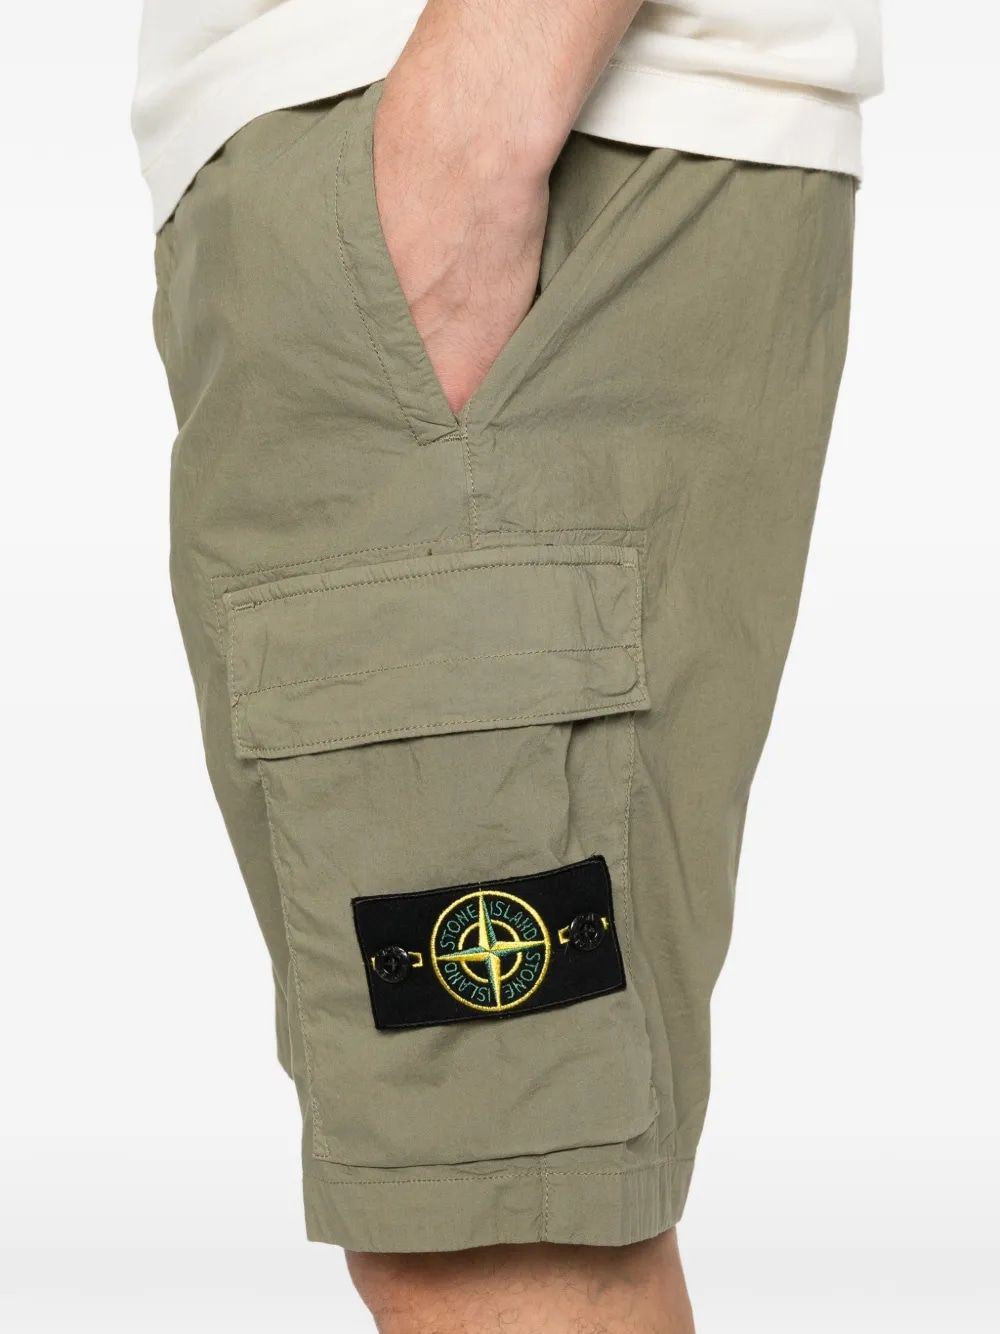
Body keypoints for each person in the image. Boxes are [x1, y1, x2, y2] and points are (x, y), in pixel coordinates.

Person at [133, 2, 883, 1329]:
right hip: (426, 165)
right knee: (491, 1188)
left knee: (499, 1209)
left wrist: (472, 129)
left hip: (490, 151)